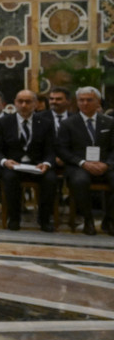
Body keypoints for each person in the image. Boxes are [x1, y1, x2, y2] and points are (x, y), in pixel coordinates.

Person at [0, 89, 57, 232]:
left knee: (50, 179)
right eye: (20, 101)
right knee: (9, 179)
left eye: (28, 102)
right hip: (13, 165)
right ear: (15, 103)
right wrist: (5, 161)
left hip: (37, 165)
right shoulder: (4, 122)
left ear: (35, 104)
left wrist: (46, 163)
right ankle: (14, 218)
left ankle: (45, 219)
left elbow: (51, 150)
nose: (23, 105)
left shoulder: (46, 123)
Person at [56, 86, 114, 236]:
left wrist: (107, 164)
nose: (85, 103)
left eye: (89, 100)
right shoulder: (68, 123)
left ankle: (109, 220)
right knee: (80, 181)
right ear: (77, 102)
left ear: (98, 102)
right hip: (79, 165)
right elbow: (62, 150)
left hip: (105, 164)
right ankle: (88, 220)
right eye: (81, 100)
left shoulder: (109, 122)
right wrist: (83, 163)